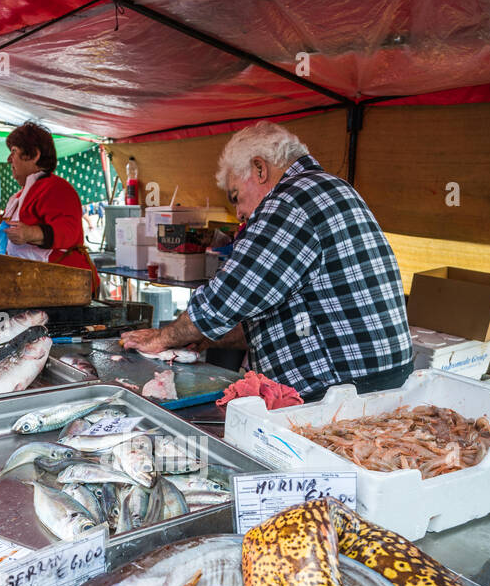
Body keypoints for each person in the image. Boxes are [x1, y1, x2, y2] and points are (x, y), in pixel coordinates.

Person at [122, 121, 414, 400]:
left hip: (345, 393)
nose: (238, 213)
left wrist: (164, 337)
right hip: (372, 385)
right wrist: (209, 338)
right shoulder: (328, 188)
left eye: (236, 197)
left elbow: (227, 297)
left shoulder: (292, 198)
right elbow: (272, 308)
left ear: (260, 169)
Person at [0, 122, 99, 293]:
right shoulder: (18, 196)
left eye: (14, 151)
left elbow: (69, 231)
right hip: (37, 284)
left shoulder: (56, 188)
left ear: (34, 155)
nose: (9, 159)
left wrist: (29, 233)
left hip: (68, 286)